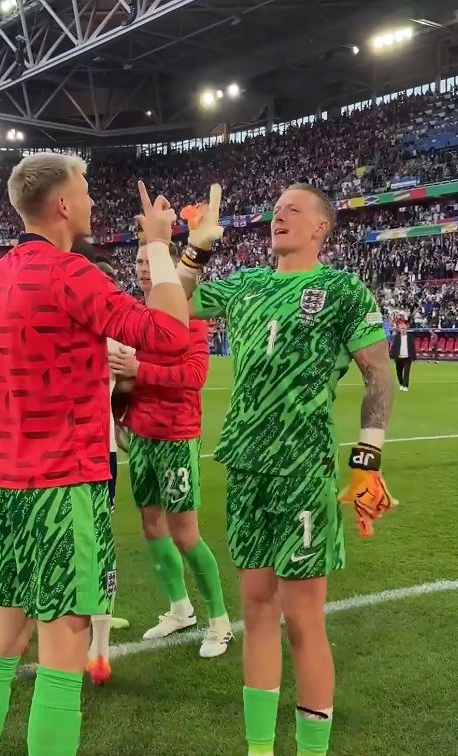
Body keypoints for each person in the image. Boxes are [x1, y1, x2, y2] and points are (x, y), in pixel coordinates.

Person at [0, 154, 190, 756]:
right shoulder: (71, 274)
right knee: (64, 647)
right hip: (67, 487)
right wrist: (161, 246)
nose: (91, 201)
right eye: (85, 191)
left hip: (10, 488)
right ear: (62, 204)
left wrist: (0, 456)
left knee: (3, 637)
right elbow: (170, 332)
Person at [177, 183, 397, 755]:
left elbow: (378, 375)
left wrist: (367, 458)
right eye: (274, 210)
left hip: (303, 467)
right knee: (255, 609)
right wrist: (193, 248)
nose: (279, 217)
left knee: (302, 619)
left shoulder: (342, 289)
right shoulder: (247, 284)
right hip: (246, 466)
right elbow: (175, 304)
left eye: (293, 210)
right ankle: (258, 749)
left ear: (322, 227)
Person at [109, 242, 233, 658]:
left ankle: (219, 622)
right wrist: (121, 406)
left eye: (152, 261)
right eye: (140, 261)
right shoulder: (134, 316)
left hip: (177, 436)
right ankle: (180, 609)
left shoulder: (188, 312)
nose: (145, 269)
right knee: (151, 525)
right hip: (141, 436)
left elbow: (196, 375)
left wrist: (138, 371)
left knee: (185, 533)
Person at [70, 241, 130, 686]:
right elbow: (125, 383)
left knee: (78, 546)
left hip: (74, 452)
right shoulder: (112, 331)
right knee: (95, 543)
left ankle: (92, 641)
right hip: (97, 450)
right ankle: (98, 646)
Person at [390, 320, 416, 391]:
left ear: (406, 329)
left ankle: (405, 386)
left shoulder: (410, 337)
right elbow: (394, 347)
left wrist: (414, 357)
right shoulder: (396, 337)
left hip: (407, 357)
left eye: (404, 328)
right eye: (401, 328)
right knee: (399, 372)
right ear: (399, 329)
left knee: (406, 372)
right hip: (399, 357)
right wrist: (393, 357)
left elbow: (413, 347)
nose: (403, 330)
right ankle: (401, 384)